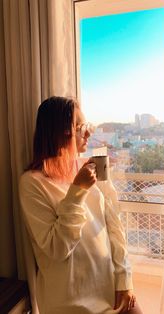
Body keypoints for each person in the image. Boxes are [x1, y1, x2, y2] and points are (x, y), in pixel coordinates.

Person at [19, 96, 143, 314]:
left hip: (110, 289)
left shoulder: (92, 168)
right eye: (79, 127)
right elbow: (57, 249)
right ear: (59, 131)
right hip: (70, 303)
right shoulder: (32, 182)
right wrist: (78, 191)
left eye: (85, 126)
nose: (88, 132)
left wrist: (124, 279)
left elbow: (114, 225)